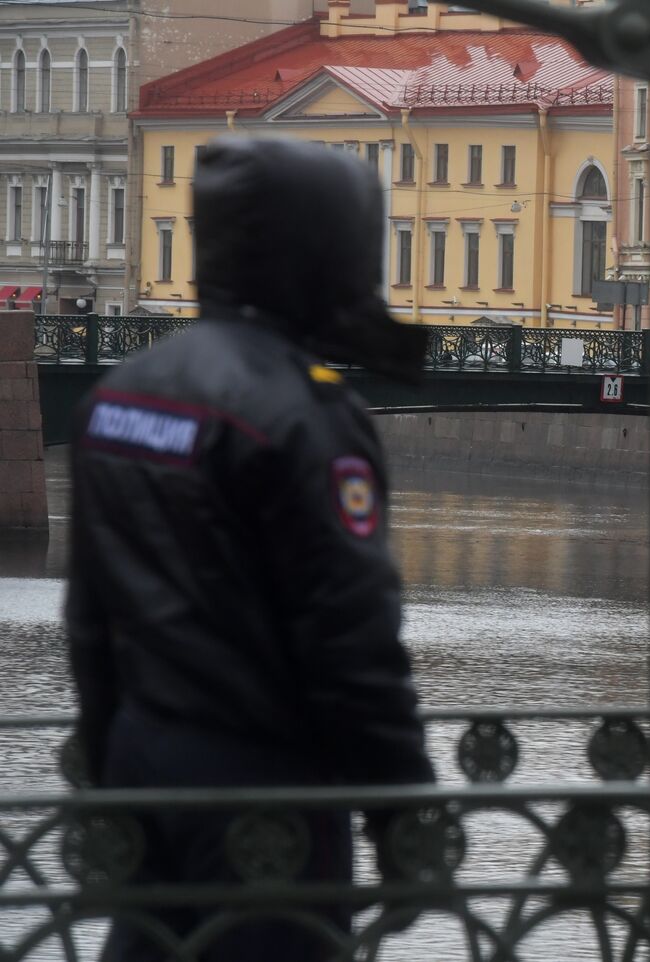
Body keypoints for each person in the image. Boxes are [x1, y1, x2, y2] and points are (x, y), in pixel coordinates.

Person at [65, 136, 435, 960]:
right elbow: (353, 642)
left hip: (142, 762)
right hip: (262, 791)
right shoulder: (304, 414)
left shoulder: (118, 394)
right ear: (325, 254)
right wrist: (404, 815)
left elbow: (89, 619)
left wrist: (106, 763)